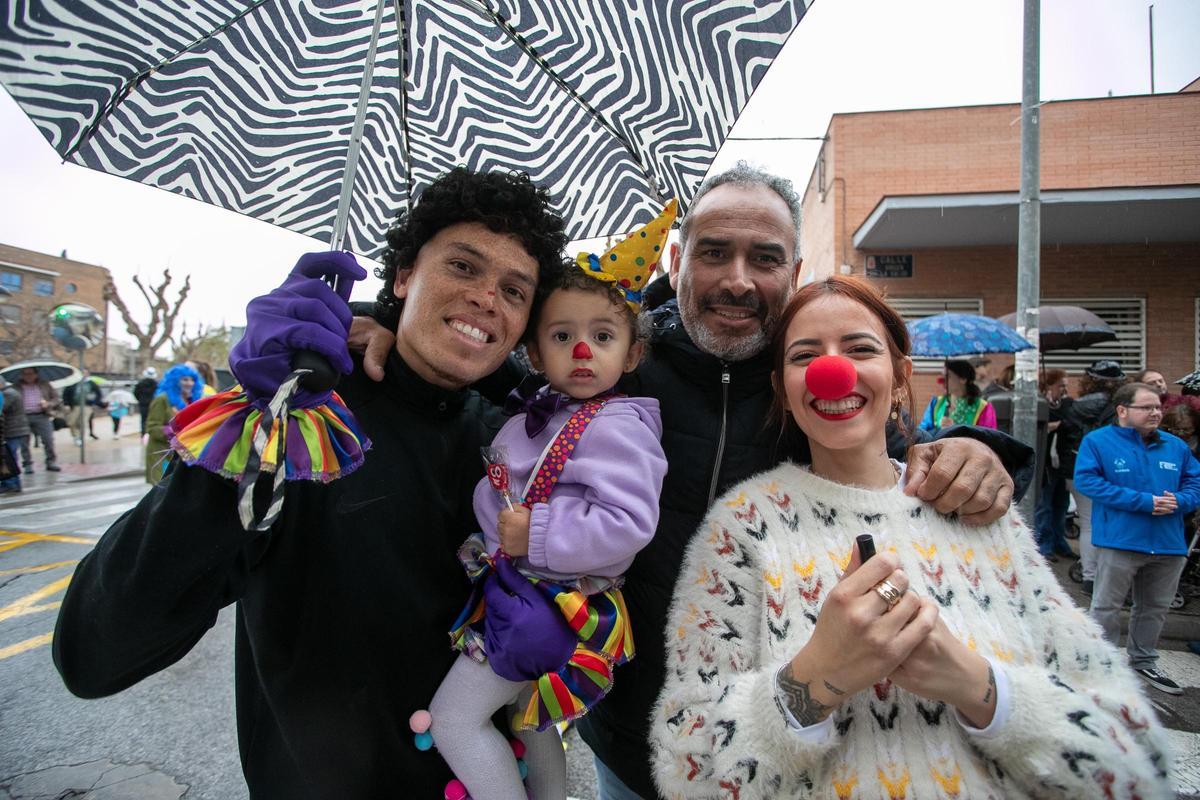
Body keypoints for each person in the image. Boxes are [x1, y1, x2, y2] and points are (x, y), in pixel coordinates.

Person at [297, 163, 1031, 799]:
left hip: (789, 746)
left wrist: (970, 450)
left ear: (795, 274)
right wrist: (381, 323)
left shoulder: (813, 386)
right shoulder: (612, 366)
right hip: (632, 747)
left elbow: (897, 455)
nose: (738, 279)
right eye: (714, 252)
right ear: (677, 261)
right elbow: (484, 361)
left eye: (764, 258)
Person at [53, 168, 574, 798]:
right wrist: (253, 420)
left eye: (514, 291)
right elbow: (94, 654)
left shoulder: (520, 445)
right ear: (404, 276)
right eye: (463, 267)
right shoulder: (300, 428)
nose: (488, 298)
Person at [650, 276, 1171, 799]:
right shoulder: (743, 526)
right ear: (781, 388)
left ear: (900, 375)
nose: (835, 372)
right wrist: (814, 680)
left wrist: (978, 686)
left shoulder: (981, 512)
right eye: (805, 356)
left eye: (860, 348)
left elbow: (1138, 764)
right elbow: (686, 770)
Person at [429, 223, 670, 800]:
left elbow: (630, 524)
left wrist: (532, 532)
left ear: (632, 351)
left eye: (603, 336)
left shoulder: (620, 427)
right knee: (530, 719)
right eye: (562, 336)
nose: (582, 351)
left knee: (453, 720)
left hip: (556, 604)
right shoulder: (532, 417)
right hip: (520, 590)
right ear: (534, 352)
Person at [1076, 382, 1200, 696]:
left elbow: (1195, 483)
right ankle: (1099, 664)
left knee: (1154, 608)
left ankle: (1143, 661)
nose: (1156, 412)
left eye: (1158, 406)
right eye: (1146, 407)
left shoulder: (1175, 446)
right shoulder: (1098, 442)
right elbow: (1087, 481)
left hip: (1169, 543)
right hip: (1120, 541)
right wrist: (1143, 501)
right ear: (1122, 410)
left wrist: (1182, 501)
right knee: (1106, 606)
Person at [1058, 359, 1126, 593]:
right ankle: (1100, 577)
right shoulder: (1119, 408)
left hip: (1076, 468)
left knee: (1088, 523)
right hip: (1108, 470)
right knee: (1100, 523)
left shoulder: (1074, 407)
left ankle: (1090, 576)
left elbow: (1064, 435)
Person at [1035, 368, 1075, 561]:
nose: (1064, 389)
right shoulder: (1039, 404)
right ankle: (1044, 545)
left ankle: (1060, 541)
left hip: (1063, 461)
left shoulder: (1067, 404)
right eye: (1061, 386)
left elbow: (1071, 424)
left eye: (1066, 386)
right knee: (1045, 505)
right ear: (1048, 385)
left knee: (1062, 504)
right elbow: (1041, 427)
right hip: (1046, 464)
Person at [143, 364, 203, 484]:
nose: (189, 383)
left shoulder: (192, 401)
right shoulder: (162, 399)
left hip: (183, 454)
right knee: (162, 491)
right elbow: (152, 427)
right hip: (162, 455)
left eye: (192, 380)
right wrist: (176, 431)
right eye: (185, 379)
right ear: (175, 381)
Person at [917, 359, 997, 431]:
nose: (943, 380)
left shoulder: (983, 408)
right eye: (943, 375)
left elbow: (988, 439)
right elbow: (923, 432)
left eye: (948, 376)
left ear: (963, 379)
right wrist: (938, 430)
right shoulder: (936, 403)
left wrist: (956, 429)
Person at [17, 366, 61, 472]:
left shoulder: (44, 385)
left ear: (36, 374)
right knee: (24, 442)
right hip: (23, 417)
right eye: (25, 374)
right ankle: (27, 464)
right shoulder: (16, 387)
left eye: (31, 373)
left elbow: (56, 399)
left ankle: (51, 461)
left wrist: (48, 404)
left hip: (42, 415)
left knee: (48, 440)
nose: (28, 376)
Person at [1135, 367, 1200, 414]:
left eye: (1161, 381)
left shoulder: (1185, 400)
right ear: (1140, 387)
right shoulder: (1135, 405)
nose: (1159, 384)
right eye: (1151, 383)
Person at [0, 376, 25, 494]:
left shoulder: (7, 394)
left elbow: (2, 408)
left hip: (12, 430)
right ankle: (11, 483)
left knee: (8, 457)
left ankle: (11, 484)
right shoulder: (9, 392)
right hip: (13, 430)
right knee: (8, 457)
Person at [133, 367, 158, 435]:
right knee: (153, 420)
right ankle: (150, 434)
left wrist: (140, 400)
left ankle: (144, 434)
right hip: (153, 405)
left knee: (143, 420)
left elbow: (135, 393)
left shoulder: (140, 383)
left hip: (143, 405)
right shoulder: (156, 384)